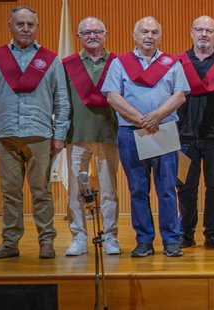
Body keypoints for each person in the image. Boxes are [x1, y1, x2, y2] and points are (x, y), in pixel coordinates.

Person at [0, 6, 71, 260]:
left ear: (37, 28)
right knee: (10, 193)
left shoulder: (50, 60)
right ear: (10, 26)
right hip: (6, 136)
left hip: (40, 135)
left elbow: (62, 100)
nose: (26, 29)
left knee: (41, 192)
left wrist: (59, 134)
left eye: (30, 25)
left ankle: (46, 242)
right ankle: (10, 243)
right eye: (20, 24)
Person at [102, 16, 189, 258]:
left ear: (160, 36)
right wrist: (141, 119)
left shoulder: (171, 63)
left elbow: (180, 95)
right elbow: (112, 97)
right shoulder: (120, 63)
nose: (149, 36)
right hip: (131, 132)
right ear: (134, 35)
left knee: (167, 189)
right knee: (138, 189)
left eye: (154, 32)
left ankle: (171, 240)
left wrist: (158, 115)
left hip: (163, 130)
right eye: (144, 32)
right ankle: (144, 241)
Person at [61, 17, 122, 256]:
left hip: (108, 134)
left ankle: (110, 237)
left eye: (97, 32)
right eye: (86, 32)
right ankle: (79, 237)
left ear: (105, 34)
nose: (92, 36)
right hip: (76, 135)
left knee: (108, 190)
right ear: (78, 37)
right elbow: (62, 101)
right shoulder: (67, 65)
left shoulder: (117, 62)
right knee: (75, 190)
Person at [175, 16, 214, 250]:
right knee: (185, 187)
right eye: (199, 29)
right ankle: (186, 232)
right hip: (183, 136)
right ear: (191, 32)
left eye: (209, 31)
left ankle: (212, 231)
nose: (204, 34)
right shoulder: (177, 62)